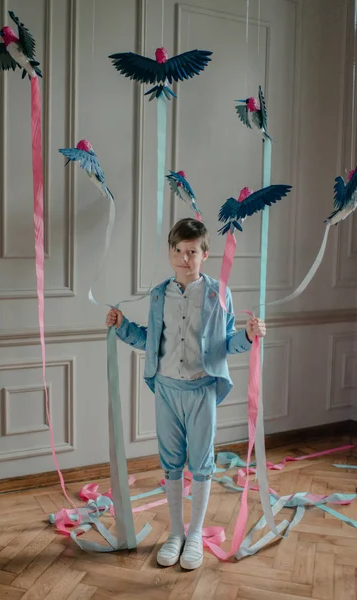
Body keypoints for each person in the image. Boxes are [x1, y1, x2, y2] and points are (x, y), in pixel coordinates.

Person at [105, 218, 266, 570]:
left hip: (201, 390)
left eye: (191, 251)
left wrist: (251, 336)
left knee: (202, 462)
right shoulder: (160, 293)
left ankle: (194, 535)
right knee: (171, 462)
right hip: (165, 389)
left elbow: (226, 343)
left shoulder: (218, 293)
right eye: (177, 251)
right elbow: (151, 340)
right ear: (170, 253)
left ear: (204, 254)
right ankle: (175, 533)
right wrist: (121, 327)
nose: (183, 257)